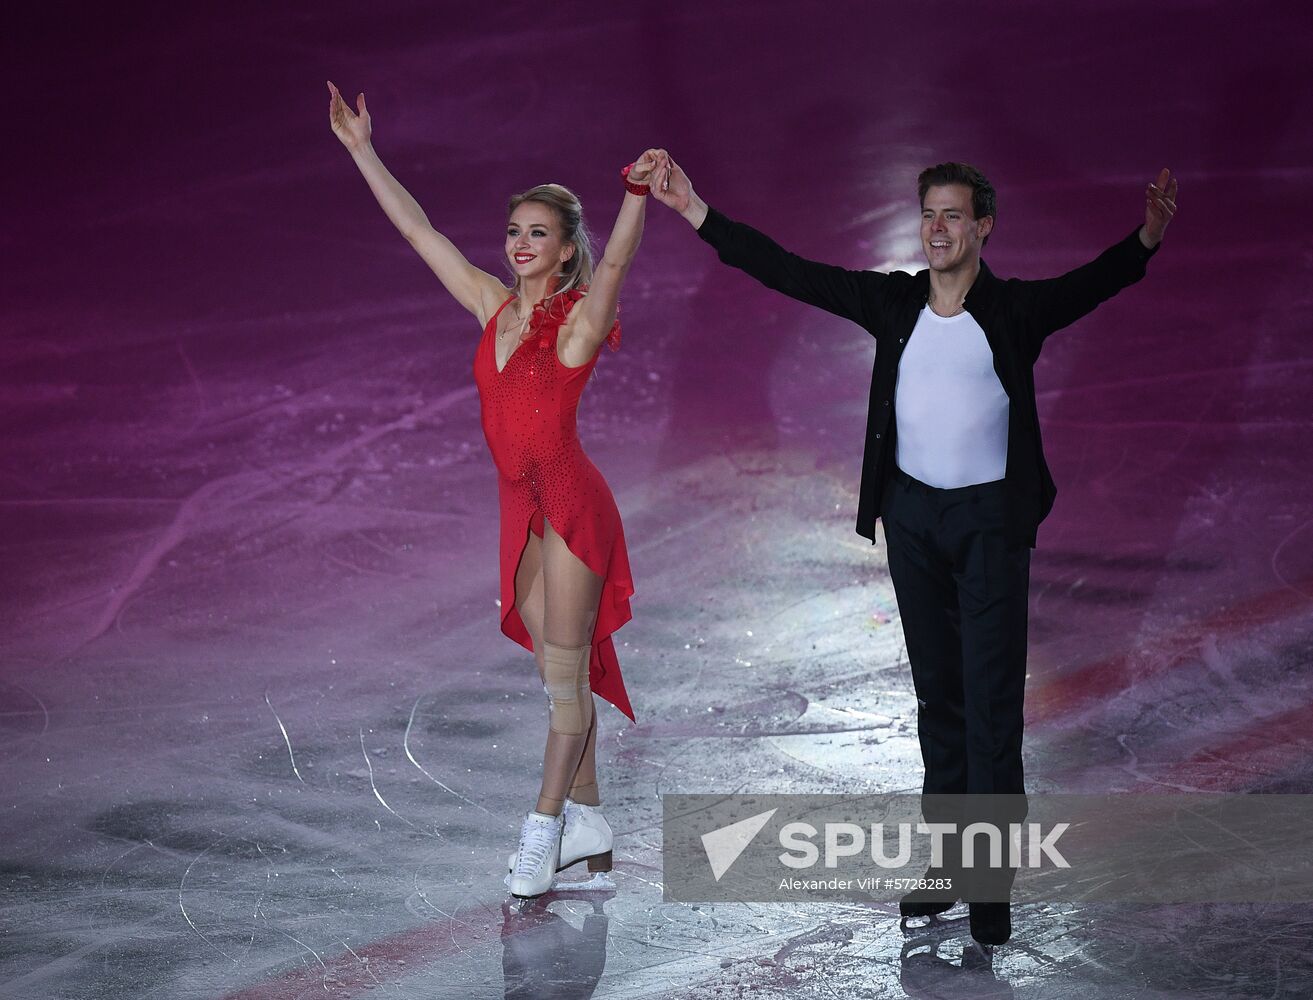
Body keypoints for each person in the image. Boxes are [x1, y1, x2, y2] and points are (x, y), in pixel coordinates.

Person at [650, 151, 1176, 946]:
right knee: (940, 701)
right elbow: (788, 271)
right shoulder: (892, 302)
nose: (936, 227)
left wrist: (1144, 238)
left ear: (983, 227)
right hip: (914, 525)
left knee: (991, 706)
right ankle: (946, 862)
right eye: (928, 213)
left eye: (953, 214)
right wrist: (695, 210)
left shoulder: (1012, 312)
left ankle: (988, 877)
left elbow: (1088, 285)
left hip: (988, 528)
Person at [328, 81, 657, 898]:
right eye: (513, 230)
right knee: (561, 675)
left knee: (562, 681)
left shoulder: (577, 324)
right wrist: (364, 150)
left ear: (563, 249)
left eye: (537, 234)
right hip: (523, 510)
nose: (518, 244)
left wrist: (634, 196)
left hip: (574, 510)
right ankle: (591, 830)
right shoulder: (489, 306)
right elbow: (418, 229)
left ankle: (542, 830)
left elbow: (616, 261)